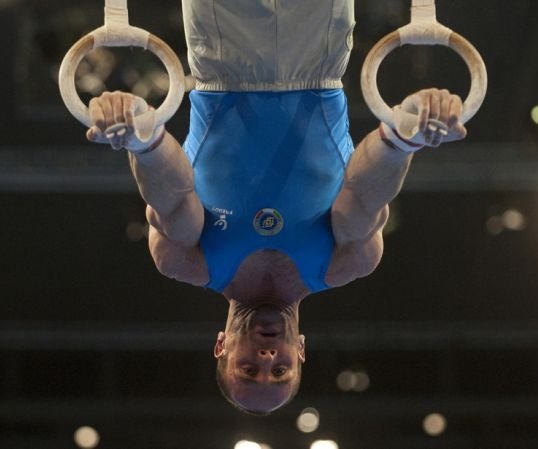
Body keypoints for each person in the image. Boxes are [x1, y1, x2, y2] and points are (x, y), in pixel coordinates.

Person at [85, 0, 467, 415]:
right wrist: (407, 133)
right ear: (300, 351)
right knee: (355, 221)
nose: (266, 360)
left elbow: (171, 200)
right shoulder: (346, 262)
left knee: (179, 226)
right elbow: (365, 196)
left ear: (221, 346)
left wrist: (139, 135)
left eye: (248, 369)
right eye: (281, 370)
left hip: (224, 55)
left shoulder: (186, 261)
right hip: (317, 57)